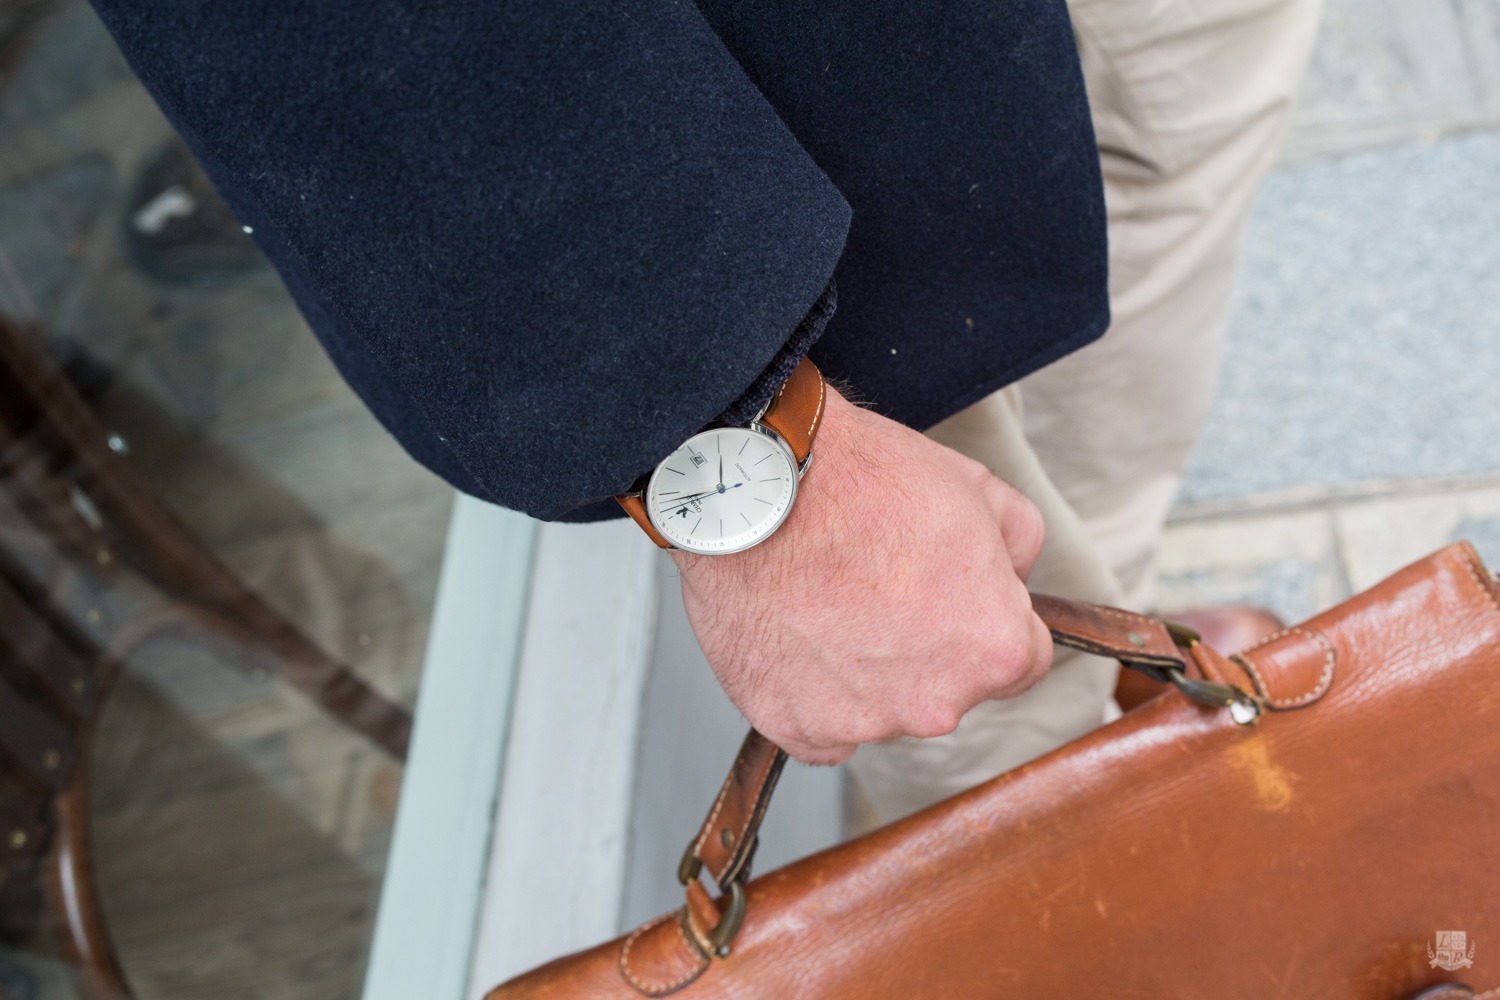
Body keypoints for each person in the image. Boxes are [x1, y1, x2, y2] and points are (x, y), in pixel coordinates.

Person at [89, 0, 1320, 827]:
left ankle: (1105, 649)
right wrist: (726, 425)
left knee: (1154, 174)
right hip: (783, 105)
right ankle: (1093, 879)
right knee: (959, 672)